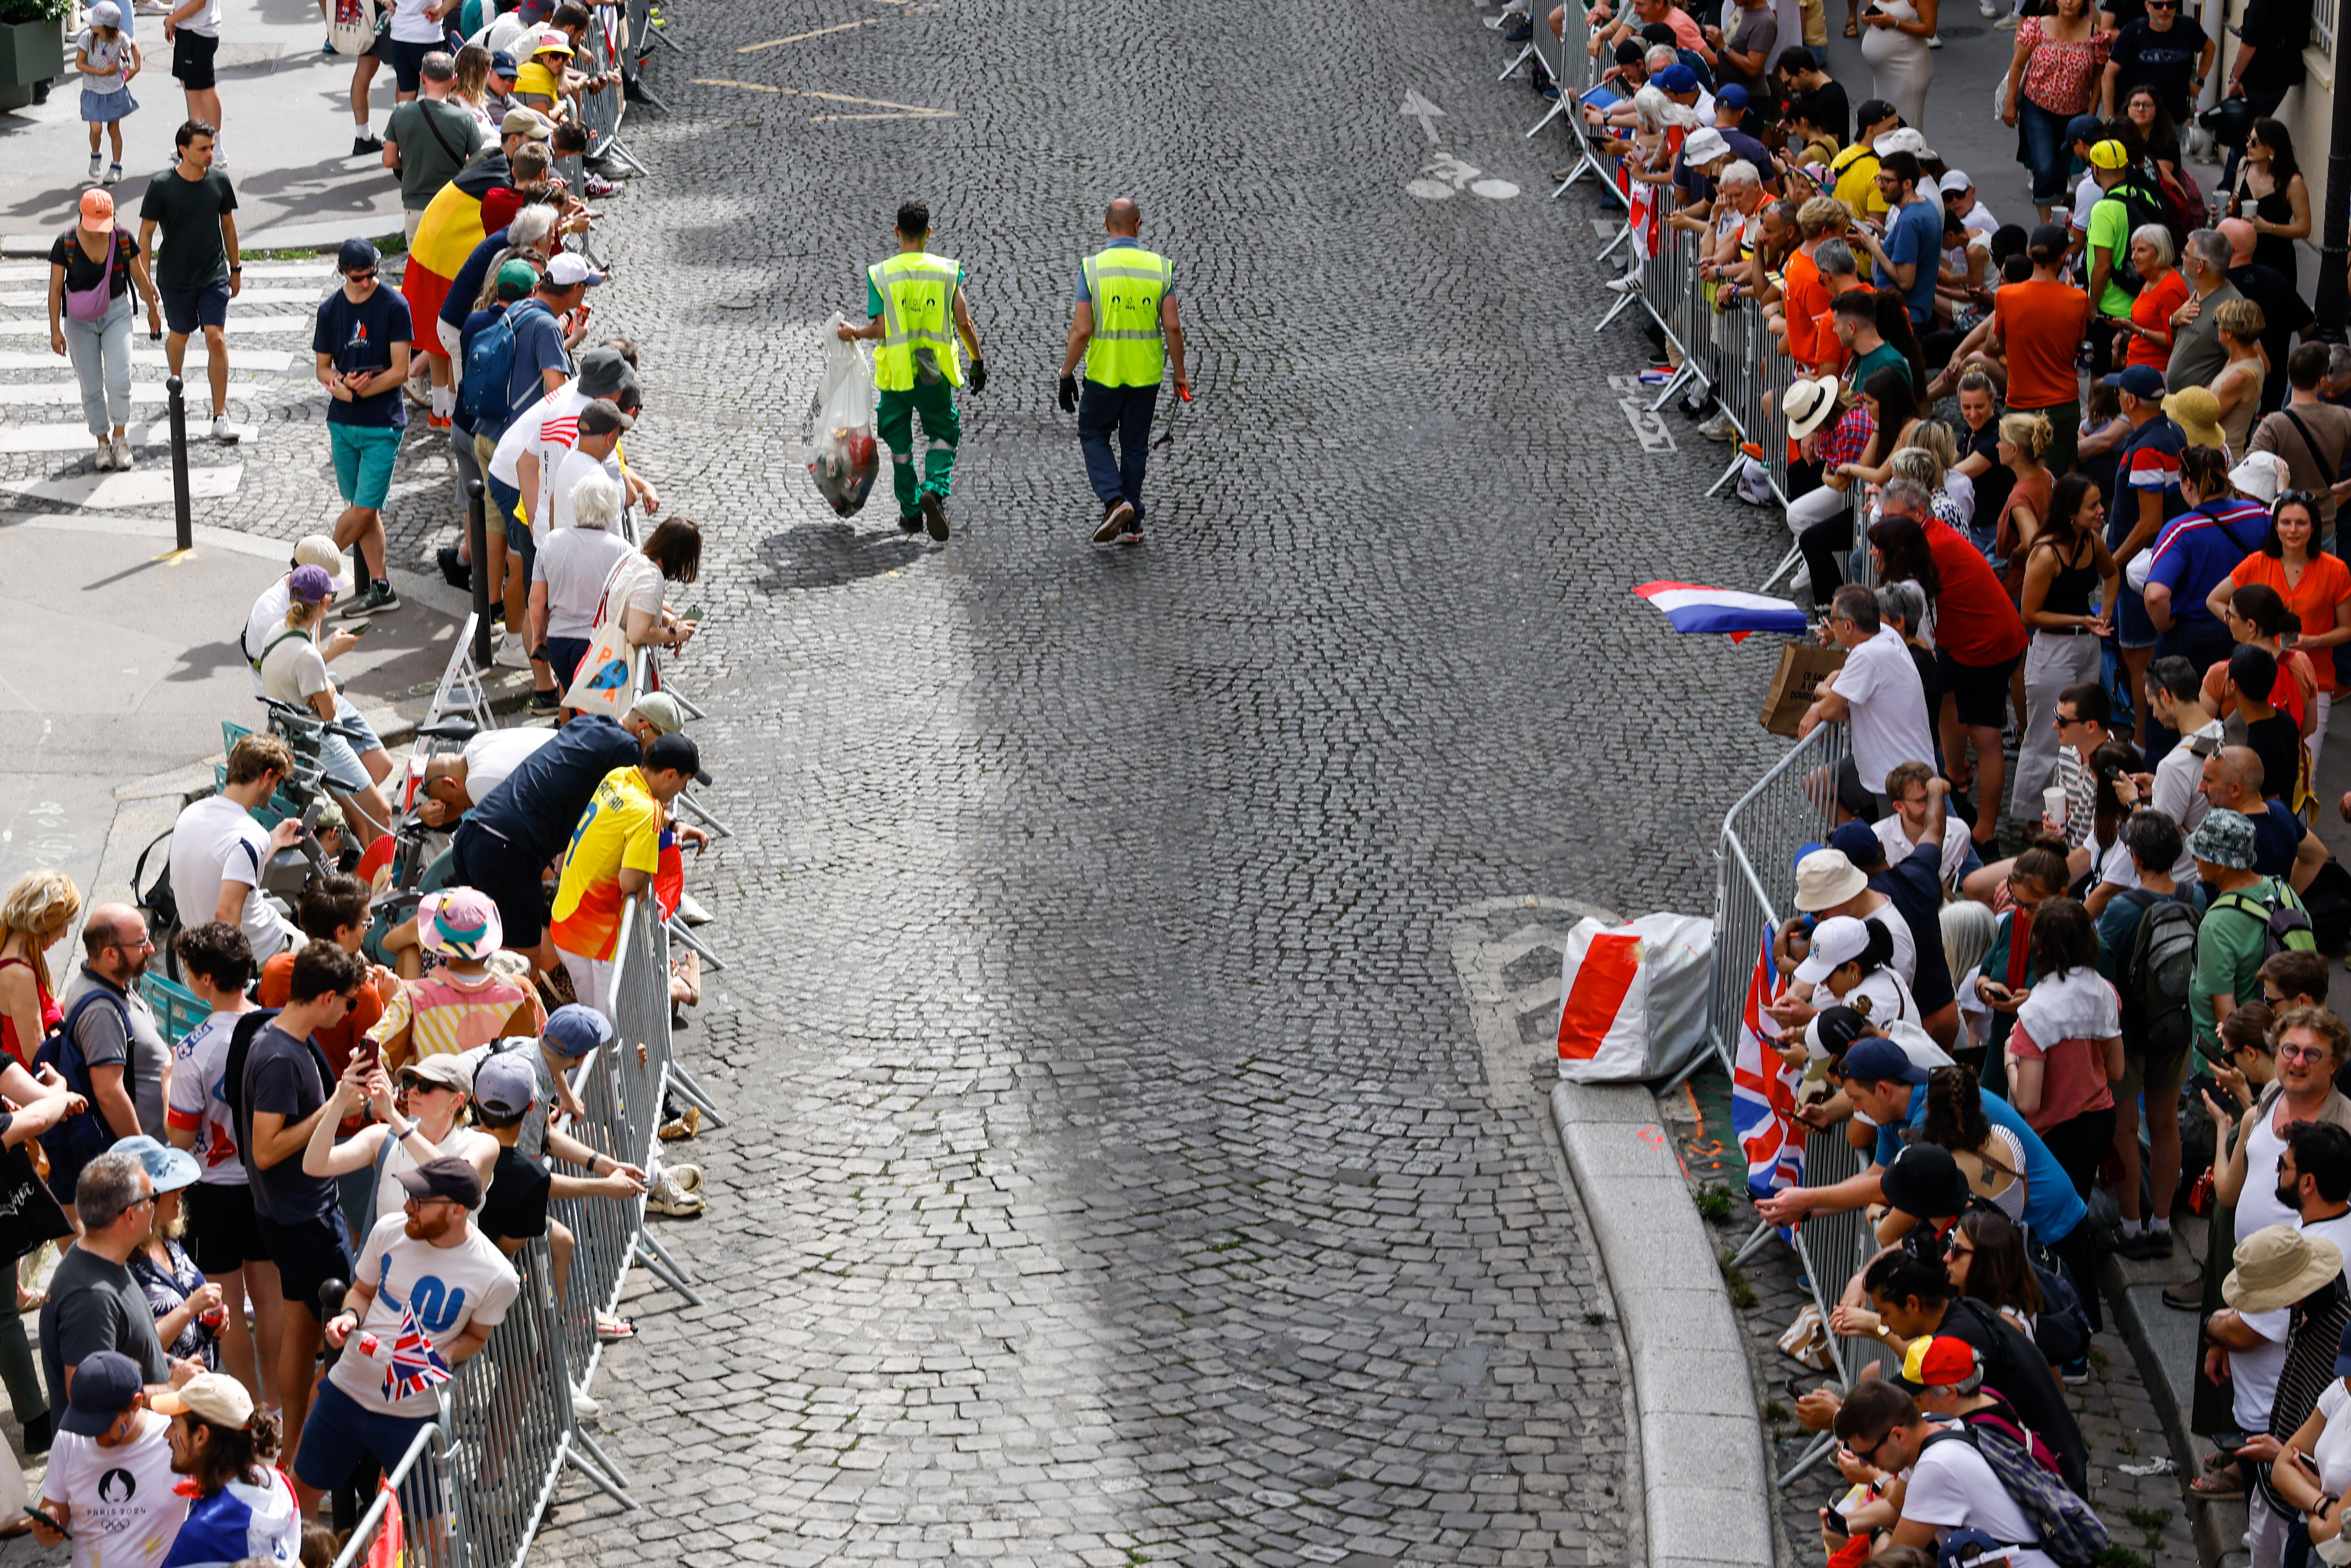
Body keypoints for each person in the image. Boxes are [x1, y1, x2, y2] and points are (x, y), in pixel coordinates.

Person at [292, 1156, 516, 1512]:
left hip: (411, 1413)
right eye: (409, 1194)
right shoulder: (389, 1229)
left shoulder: (498, 1275)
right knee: (299, 1498)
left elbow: (476, 1337)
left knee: (431, 1524)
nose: (408, 1205)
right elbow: (362, 1291)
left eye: (420, 1200)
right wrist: (349, 1317)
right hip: (346, 1391)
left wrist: (445, 1355)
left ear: (458, 1210)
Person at [236, 942, 368, 1474]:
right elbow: (266, 1148)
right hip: (303, 1217)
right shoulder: (279, 1056)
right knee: (337, 1338)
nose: (348, 1014)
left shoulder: (275, 1036)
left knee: (301, 1327)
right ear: (329, 997)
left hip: (287, 1214)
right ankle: (320, 1461)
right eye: (350, 1004)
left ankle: (291, 1454)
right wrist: (335, 1106)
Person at [444, 703, 689, 977]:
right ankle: (516, 1018)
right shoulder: (629, 750)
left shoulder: (592, 722)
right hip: (508, 850)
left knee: (470, 953)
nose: (662, 756)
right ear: (643, 729)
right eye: (661, 745)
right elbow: (633, 802)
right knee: (521, 967)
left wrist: (673, 823)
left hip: (474, 830)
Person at [163, 923, 279, 1415]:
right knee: (270, 1297)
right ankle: (275, 1398)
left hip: (212, 1191)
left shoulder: (192, 1050)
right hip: (268, 1182)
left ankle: (247, 1405)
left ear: (205, 978)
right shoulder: (276, 1029)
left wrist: (168, 1079)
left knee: (224, 1303)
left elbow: (181, 1139)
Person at [1868, 495, 2028, 849]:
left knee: (1984, 737)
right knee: (1954, 703)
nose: (1873, 556)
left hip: (1983, 647)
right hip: (1982, 640)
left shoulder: (1923, 564)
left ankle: (1979, 821)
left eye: (1878, 549)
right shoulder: (1931, 540)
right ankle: (1959, 780)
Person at [836, 201, 989, 541]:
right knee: (943, 433)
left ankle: (910, 512)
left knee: (900, 443)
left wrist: (854, 334)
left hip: (897, 374)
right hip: (932, 370)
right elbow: (964, 322)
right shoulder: (947, 271)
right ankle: (934, 489)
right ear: (928, 233)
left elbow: (881, 329)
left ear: (897, 232)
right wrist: (976, 361)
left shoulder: (882, 274)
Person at [1056, 198, 1189, 546]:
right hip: (1146, 374)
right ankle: (1133, 524)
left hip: (1105, 373)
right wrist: (1180, 374)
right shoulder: (1160, 268)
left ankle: (1116, 501)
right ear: (1139, 225)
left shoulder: (1092, 268)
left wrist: (1066, 373)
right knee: (1134, 446)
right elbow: (1173, 327)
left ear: (1106, 226)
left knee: (1093, 433)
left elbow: (1082, 330)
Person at [548, 732, 703, 1016]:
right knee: (614, 1028)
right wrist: (646, 878)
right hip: (596, 939)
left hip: (567, 921)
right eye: (685, 782)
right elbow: (630, 882)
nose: (682, 791)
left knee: (599, 1024)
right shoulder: (648, 813)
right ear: (670, 775)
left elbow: (634, 807)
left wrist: (674, 823)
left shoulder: (619, 777)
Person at [41, 1152, 197, 1404]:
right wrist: (171, 1387)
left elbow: (130, 1345)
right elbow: (89, 1398)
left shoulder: (105, 1257)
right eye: (152, 1198)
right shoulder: (91, 1298)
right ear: (131, 1216)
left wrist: (173, 1364)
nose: (155, 1205)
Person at [312, 238, 410, 620]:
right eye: (360, 277)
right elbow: (322, 367)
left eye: (373, 274)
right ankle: (382, 588)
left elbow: (400, 371)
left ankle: (314, 572)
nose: (368, 282)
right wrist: (340, 387)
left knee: (365, 509)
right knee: (362, 511)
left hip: (383, 424)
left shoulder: (395, 305)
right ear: (344, 274)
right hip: (343, 423)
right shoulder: (330, 310)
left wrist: (365, 388)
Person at [2012, 473, 2118, 815]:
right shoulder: (2045, 554)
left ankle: (2073, 804)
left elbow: (2112, 573)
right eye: (2093, 506)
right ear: (2071, 512)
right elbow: (2030, 614)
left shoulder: (2092, 541)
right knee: (2045, 733)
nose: (2102, 511)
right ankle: (2031, 814)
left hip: (2086, 644)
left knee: (2084, 727)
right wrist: (2082, 620)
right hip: (2053, 650)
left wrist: (2104, 612)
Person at [2002, 897, 2122, 1198]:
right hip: (2099, 1121)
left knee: (2055, 1219)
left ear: (2039, 947)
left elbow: (2029, 1102)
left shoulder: (2035, 1012)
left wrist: (2010, 1062)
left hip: (2055, 1133)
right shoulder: (2106, 992)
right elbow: (2117, 1071)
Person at [2226, 490, 2351, 771]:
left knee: (2305, 771)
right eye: (2286, 522)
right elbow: (2216, 599)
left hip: (2314, 681)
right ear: (2276, 526)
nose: (2293, 530)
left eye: (2301, 523)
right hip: (2258, 679)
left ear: (2314, 527)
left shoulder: (2336, 570)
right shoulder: (2257, 563)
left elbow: (2348, 628)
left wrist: (2315, 641)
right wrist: (2245, 631)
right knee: (2256, 771)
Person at [28, 1351, 184, 1568]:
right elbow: (53, 1526)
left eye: (100, 1425)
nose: (92, 1434)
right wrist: (44, 1528)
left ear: (136, 1404)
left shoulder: (173, 1439)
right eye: (84, 1423)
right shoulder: (70, 1438)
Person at [135, 120, 238, 445]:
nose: (211, 153)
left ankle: (220, 415)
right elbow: (147, 234)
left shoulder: (220, 181)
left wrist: (235, 268)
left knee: (216, 338)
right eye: (203, 148)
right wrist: (146, 277)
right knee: (179, 336)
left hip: (213, 274)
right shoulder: (162, 185)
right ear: (184, 150)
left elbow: (229, 226)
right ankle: (175, 383)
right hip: (175, 277)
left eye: (212, 147)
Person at [364, 889, 541, 1065]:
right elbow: (546, 1051)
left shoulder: (413, 998)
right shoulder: (523, 992)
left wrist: (391, 1002)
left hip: (435, 1090)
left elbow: (371, 1054)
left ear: (438, 940)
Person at [2145, 442, 2274, 682]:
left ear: (2188, 484)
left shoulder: (2180, 530)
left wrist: (2165, 625)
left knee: (2179, 711)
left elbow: (2156, 595)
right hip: (2250, 629)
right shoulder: (2259, 514)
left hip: (2193, 638)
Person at [1799, 585, 1935, 809]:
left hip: (1896, 776)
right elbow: (1847, 696)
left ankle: (1861, 841)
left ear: (1849, 626)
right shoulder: (1886, 634)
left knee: (1894, 840)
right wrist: (1835, 685)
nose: (1830, 625)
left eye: (1833, 619)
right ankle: (1851, 837)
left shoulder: (1867, 655)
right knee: (1816, 784)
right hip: (1893, 763)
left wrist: (1822, 693)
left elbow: (1830, 711)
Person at [151, 1373, 300, 1568]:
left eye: (174, 1425)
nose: (167, 1434)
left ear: (201, 1436)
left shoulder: (203, 1532)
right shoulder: (278, 1483)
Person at [60, 903, 172, 1148]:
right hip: (148, 1153)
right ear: (110, 954)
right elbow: (110, 1094)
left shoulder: (113, 979)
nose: (151, 948)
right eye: (142, 943)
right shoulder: (101, 1011)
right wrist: (146, 1155)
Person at [113, 1136, 221, 1374]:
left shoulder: (165, 1238)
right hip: (163, 1397)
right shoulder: (120, 1268)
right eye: (171, 1186)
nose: (182, 1190)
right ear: (145, 1199)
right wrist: (189, 1309)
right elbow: (135, 1352)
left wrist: (214, 1319)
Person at [1991, 225, 2089, 476]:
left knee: (2019, 481)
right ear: (2062, 258)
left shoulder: (2006, 295)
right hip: (2063, 406)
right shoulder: (2079, 300)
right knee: (2060, 480)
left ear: (2030, 254)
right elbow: (2074, 349)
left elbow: (2003, 345)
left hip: (2019, 405)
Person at [2003, 0, 2109, 221]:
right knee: (2044, 166)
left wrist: (2092, 111)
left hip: (2076, 111)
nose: (2068, 2)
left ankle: (2058, 217)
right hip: (2038, 107)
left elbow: (2100, 75)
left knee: (2063, 169)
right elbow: (2018, 65)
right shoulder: (2037, 26)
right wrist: (2010, 103)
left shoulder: (2094, 34)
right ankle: (2045, 224)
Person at [533, 468, 631, 694]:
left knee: (572, 699)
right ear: (612, 511)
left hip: (559, 643)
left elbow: (536, 599)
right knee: (594, 710)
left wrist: (538, 637)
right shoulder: (622, 550)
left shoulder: (551, 541)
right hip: (597, 645)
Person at [2251, 346, 2351, 555]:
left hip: (2284, 525)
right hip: (2323, 521)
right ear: (2322, 381)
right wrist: (2346, 488)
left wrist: (2280, 491)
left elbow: (2249, 475)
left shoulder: (2273, 425)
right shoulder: (2345, 418)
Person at [383, 52, 485, 248]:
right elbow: (478, 164)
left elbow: (389, 160)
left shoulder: (402, 112)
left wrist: (411, 161)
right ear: (454, 80)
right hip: (452, 206)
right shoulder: (464, 120)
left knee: (419, 272)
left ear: (422, 78)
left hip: (416, 208)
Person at [1850, 150, 1940, 330]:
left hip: (1903, 319)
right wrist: (1885, 234)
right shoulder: (1926, 206)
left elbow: (1906, 280)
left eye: (1887, 181)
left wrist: (1873, 248)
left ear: (1907, 184)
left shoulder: (1910, 220)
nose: (1880, 186)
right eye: (1879, 178)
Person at [2227, 118, 2310, 288]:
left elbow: (2304, 228)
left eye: (2255, 142)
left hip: (2277, 261)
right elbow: (2234, 202)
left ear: (2272, 148)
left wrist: (2269, 228)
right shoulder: (2244, 166)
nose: (2249, 145)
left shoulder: (2292, 182)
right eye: (2248, 140)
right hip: (2242, 257)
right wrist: (2225, 211)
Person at [2166, 229, 2246, 394]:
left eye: (2186, 254)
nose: (2182, 257)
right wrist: (2173, 322)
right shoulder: (2198, 295)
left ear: (2200, 266)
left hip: (2200, 411)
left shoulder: (2230, 307)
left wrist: (2210, 393)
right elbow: (2182, 342)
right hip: (2181, 406)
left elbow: (2252, 362)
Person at [72, 2, 140, 186]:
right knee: (96, 129)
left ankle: (116, 167)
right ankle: (96, 156)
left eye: (95, 21)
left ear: (106, 26)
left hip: (114, 91)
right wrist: (101, 73)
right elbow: (79, 64)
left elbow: (134, 46)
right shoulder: (87, 37)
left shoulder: (119, 38)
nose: (90, 23)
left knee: (113, 130)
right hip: (93, 91)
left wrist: (137, 67)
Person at [2113, 224, 2188, 375]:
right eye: (2134, 250)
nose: (2134, 257)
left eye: (2141, 250)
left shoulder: (2169, 289)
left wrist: (2135, 329)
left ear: (2160, 252)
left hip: (2154, 373)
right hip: (2138, 366)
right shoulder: (2152, 278)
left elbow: (2173, 340)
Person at [158, 0, 221, 159]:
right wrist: (176, 19)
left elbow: (199, 3)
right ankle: (196, 146)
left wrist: (171, 20)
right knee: (190, 87)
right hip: (188, 29)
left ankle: (215, 149)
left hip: (198, 32)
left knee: (205, 89)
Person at [2210, 297, 2270, 456]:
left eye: (2218, 324)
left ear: (2230, 333)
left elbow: (2208, 416)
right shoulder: (2242, 358)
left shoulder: (2241, 376)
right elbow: (2209, 392)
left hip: (2221, 457)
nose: (2217, 328)